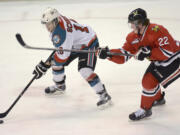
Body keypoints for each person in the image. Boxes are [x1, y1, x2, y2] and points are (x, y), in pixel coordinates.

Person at [98, 8, 180, 120]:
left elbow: (167, 51)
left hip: (175, 58)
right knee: (148, 81)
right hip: (160, 60)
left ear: (140, 24)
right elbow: (124, 55)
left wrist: (149, 52)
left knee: (149, 82)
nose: (131, 26)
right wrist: (109, 54)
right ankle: (158, 99)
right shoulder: (132, 37)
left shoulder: (157, 30)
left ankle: (145, 109)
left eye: (133, 24)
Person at [33, 7, 111, 107]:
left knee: (85, 70)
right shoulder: (57, 23)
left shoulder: (62, 33)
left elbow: (62, 57)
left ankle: (103, 94)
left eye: (49, 24)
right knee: (56, 62)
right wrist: (46, 65)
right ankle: (59, 86)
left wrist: (45, 65)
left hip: (88, 43)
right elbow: (60, 51)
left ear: (55, 20)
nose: (47, 27)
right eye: (46, 24)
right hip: (74, 43)